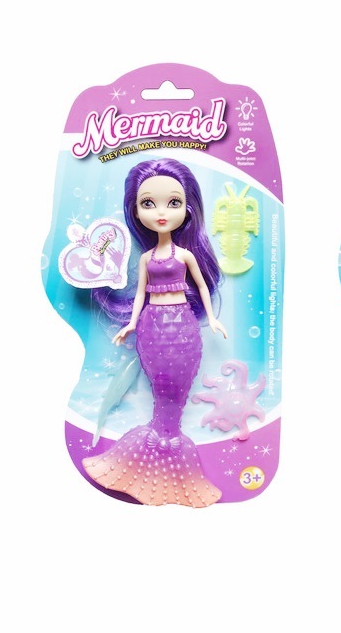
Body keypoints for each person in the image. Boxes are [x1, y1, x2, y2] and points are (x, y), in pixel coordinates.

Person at [83, 158, 227, 507]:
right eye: (148, 203)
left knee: (176, 392)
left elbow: (202, 287)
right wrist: (132, 323)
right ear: (135, 210)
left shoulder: (186, 255)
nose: (161, 212)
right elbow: (140, 294)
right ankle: (157, 451)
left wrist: (212, 318)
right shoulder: (146, 258)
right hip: (151, 327)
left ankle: (169, 444)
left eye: (173, 202)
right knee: (160, 389)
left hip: (183, 327)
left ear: (188, 207)